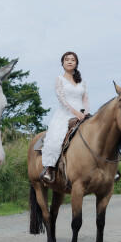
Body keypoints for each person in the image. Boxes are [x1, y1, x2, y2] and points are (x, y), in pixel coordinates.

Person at [40, 51, 90, 184]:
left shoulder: (82, 82)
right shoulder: (59, 79)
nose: (69, 61)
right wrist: (75, 113)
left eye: (72, 60)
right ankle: (49, 168)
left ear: (76, 63)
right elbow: (61, 99)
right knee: (56, 137)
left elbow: (85, 100)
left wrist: (85, 112)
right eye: (67, 59)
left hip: (82, 113)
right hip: (65, 113)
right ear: (62, 63)